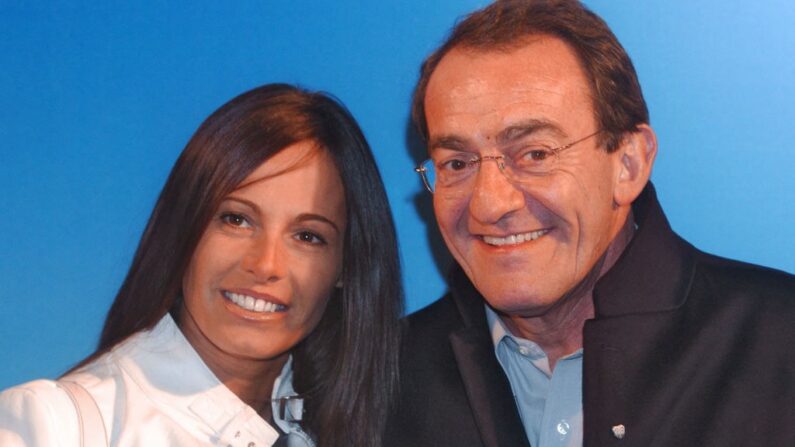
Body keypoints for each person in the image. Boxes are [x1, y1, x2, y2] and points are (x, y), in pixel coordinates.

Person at [387, 1, 795, 446]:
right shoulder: (383, 380)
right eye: (458, 163)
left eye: (535, 154)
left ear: (629, 164)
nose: (488, 204)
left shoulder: (778, 346)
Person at [0, 83, 403, 447]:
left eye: (308, 236)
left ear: (346, 269)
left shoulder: (343, 433)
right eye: (236, 219)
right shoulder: (54, 427)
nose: (265, 265)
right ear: (185, 229)